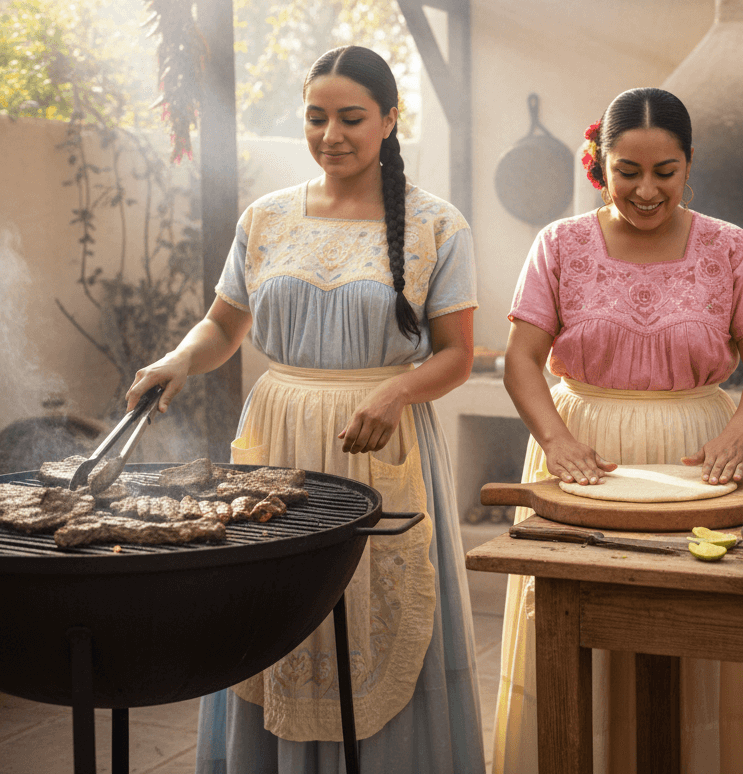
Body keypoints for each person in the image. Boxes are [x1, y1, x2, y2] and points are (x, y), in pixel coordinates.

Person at [126, 46, 485, 773]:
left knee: (375, 615)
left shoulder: (436, 225)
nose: (332, 135)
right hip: (277, 440)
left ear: (390, 118)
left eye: (352, 118)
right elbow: (225, 326)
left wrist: (395, 391)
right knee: (267, 616)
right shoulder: (266, 218)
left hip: (380, 445)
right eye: (316, 118)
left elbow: (456, 354)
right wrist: (175, 361)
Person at [493, 87, 743, 774]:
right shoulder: (560, 244)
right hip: (581, 460)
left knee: (694, 638)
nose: (647, 189)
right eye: (629, 171)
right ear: (599, 163)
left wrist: (739, 433)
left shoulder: (731, 247)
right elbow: (521, 360)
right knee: (574, 630)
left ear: (689, 166)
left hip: (699, 464)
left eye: (665, 171)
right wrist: (557, 439)